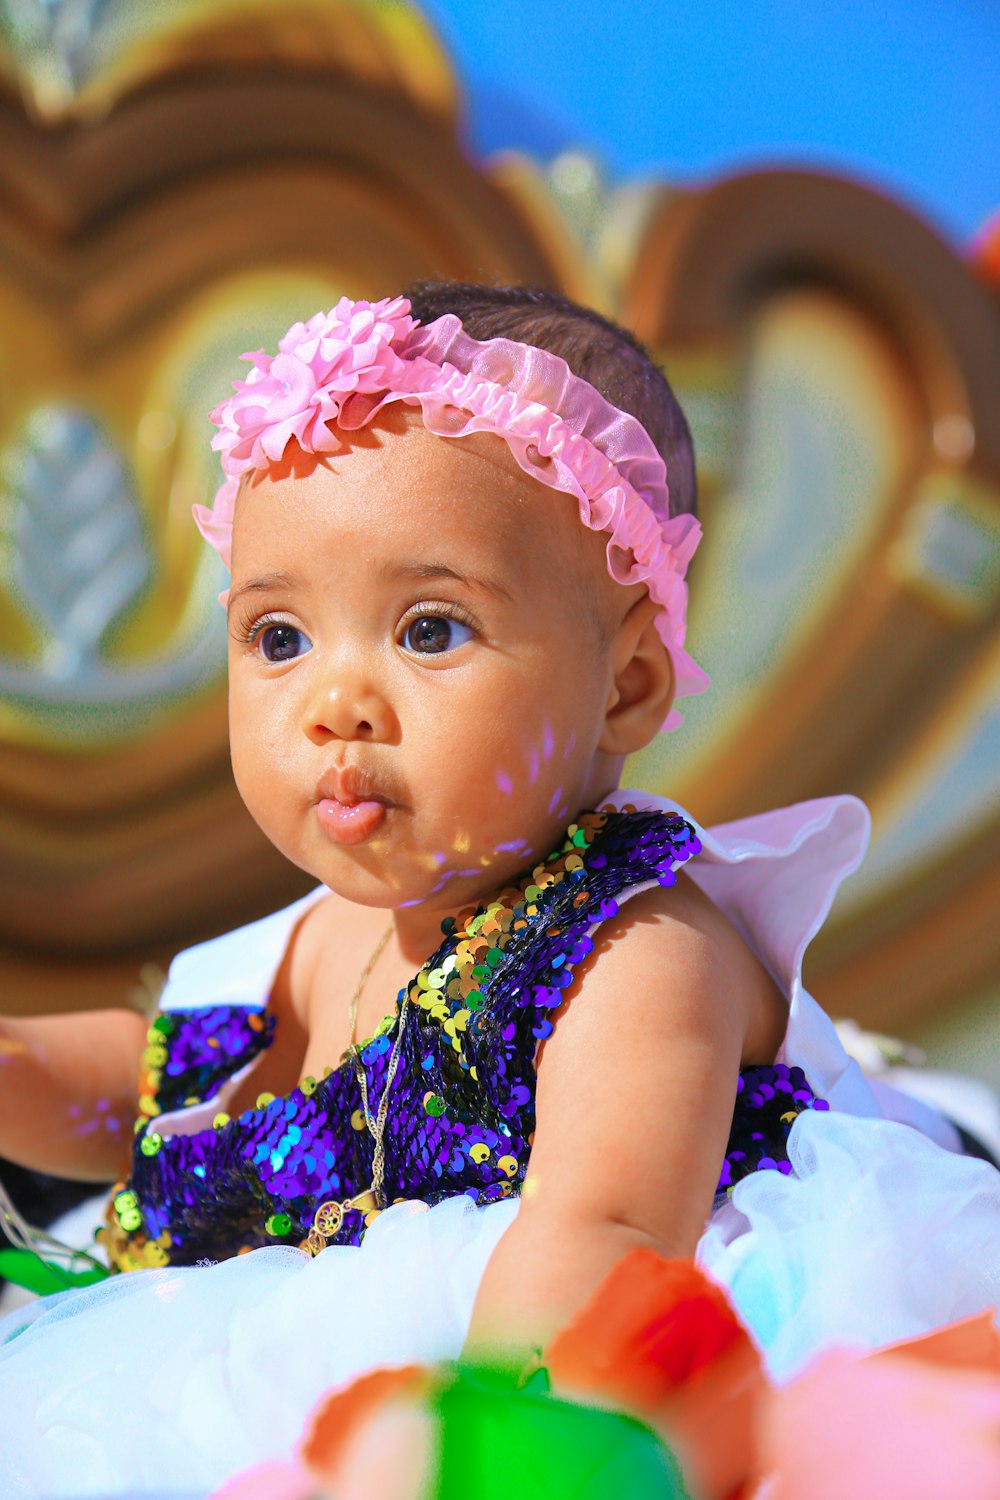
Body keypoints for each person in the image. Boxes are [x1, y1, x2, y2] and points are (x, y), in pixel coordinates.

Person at [0, 282, 997, 1498]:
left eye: (428, 629)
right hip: (311, 1356)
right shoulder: (325, 939)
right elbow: (167, 1090)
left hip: (564, 1357)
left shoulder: (633, 954)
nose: (334, 701)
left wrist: (484, 1450)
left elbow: (610, 1227)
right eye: (277, 637)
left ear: (623, 690)